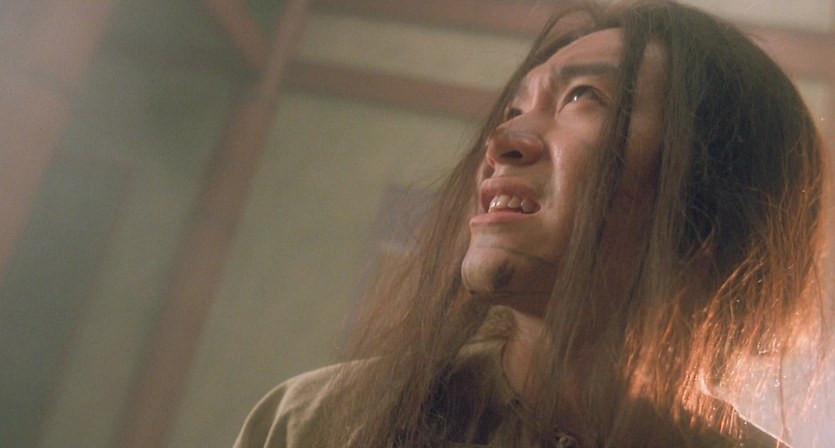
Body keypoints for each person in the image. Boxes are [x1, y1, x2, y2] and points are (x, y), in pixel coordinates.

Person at [234, 1, 831, 447]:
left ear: (707, 205)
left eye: (582, 97)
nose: (501, 142)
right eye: (515, 107)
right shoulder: (319, 425)